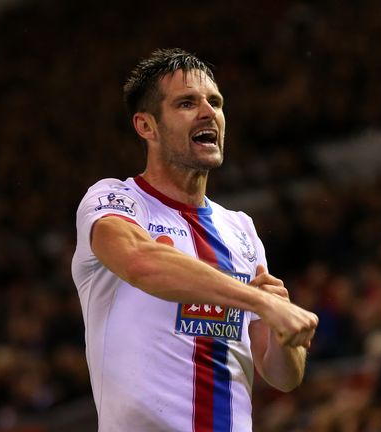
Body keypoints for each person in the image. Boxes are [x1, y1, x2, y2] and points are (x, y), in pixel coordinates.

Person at [71, 48, 318, 432]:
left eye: (215, 102)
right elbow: (141, 262)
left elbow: (283, 377)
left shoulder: (240, 229)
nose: (208, 113)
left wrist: (286, 338)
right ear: (146, 126)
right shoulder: (114, 200)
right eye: (187, 103)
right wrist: (260, 301)